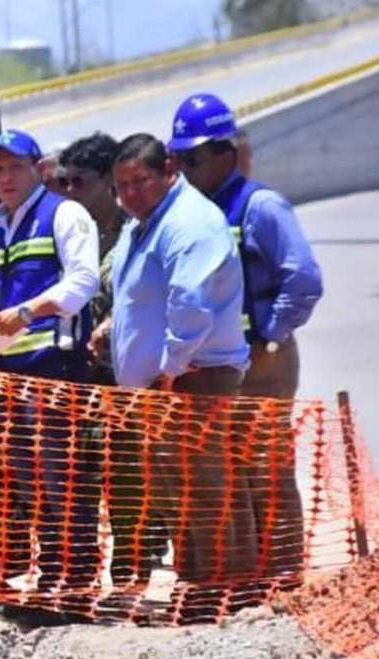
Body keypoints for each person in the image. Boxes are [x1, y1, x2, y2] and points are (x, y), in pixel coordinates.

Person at [90, 133, 254, 614]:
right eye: (121, 185)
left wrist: (170, 368)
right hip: (160, 385)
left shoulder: (189, 221)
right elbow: (138, 293)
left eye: (140, 181)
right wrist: (111, 327)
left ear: (168, 170)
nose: (130, 194)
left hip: (194, 376)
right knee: (174, 489)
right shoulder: (142, 223)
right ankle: (198, 587)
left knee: (205, 488)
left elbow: (190, 305)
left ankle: (227, 595)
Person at [169, 93, 323, 578]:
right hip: (219, 365)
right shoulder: (193, 212)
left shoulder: (260, 207)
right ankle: (246, 580)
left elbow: (303, 280)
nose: (186, 168)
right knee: (228, 475)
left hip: (262, 363)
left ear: (225, 154)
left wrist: (271, 336)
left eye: (194, 158)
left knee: (265, 471)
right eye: (179, 159)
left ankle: (282, 577)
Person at [0, 128, 101, 602]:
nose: (5, 177)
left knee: (62, 475)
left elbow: (83, 282)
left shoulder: (64, 213)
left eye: (15, 167)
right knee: (31, 478)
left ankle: (76, 582)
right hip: (9, 376)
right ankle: (54, 573)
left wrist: (30, 311)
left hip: (54, 369)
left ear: (39, 169)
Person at [56, 132, 125, 385]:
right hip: (82, 367)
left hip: (125, 363)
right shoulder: (69, 234)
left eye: (79, 181)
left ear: (107, 178)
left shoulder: (134, 230)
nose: (71, 191)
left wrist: (107, 328)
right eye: (65, 183)